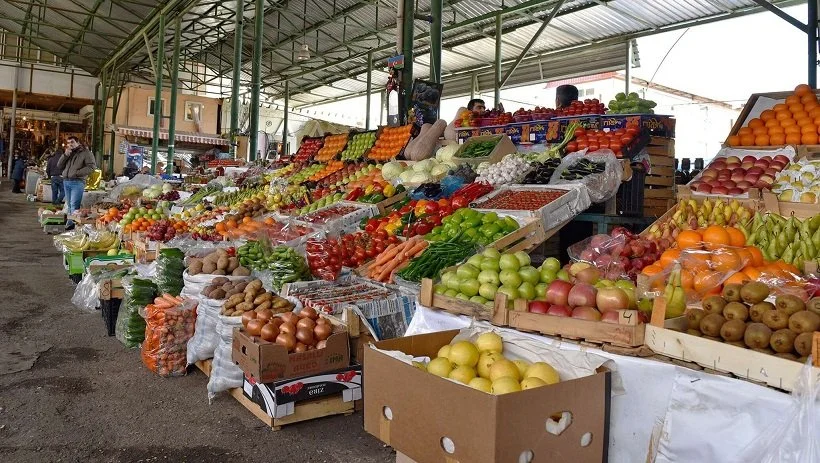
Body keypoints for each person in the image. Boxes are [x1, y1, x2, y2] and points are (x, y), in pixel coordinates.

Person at [57, 136, 96, 230]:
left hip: (77, 182)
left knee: (74, 204)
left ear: (78, 142)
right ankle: (71, 223)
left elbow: (91, 167)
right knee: (69, 205)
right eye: (68, 143)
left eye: (72, 142)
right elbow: (59, 165)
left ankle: (73, 225)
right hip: (66, 181)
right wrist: (65, 155)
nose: (70, 144)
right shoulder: (68, 153)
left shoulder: (86, 153)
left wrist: (77, 173)